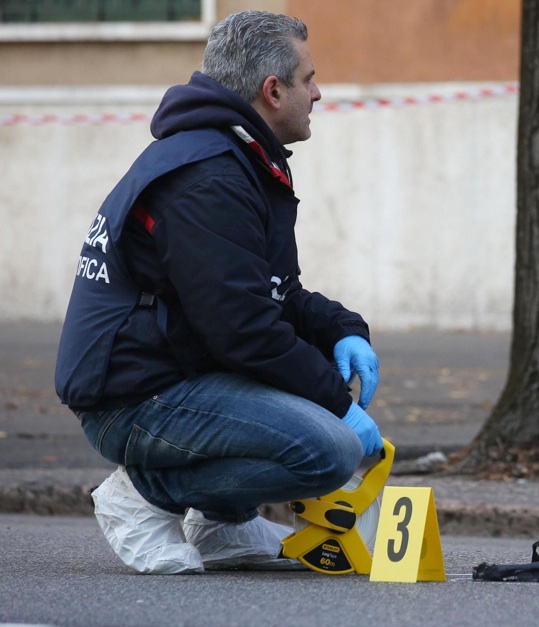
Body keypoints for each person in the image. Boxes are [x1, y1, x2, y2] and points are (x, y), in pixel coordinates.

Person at [54, 10, 383, 575]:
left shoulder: (237, 158)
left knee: (312, 407)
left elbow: (274, 294)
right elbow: (244, 329)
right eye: (308, 79)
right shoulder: (209, 175)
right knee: (329, 448)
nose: (319, 92)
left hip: (172, 377)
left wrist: (344, 329)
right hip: (131, 399)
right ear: (273, 91)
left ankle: (219, 522)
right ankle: (142, 494)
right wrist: (339, 404)